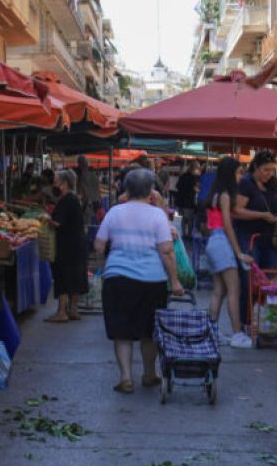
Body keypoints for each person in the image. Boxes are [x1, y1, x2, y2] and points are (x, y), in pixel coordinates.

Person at [94, 167, 185, 393]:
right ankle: (148, 373)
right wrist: (175, 281)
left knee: (121, 330)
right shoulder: (157, 216)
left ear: (126, 189)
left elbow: (98, 245)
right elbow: (166, 251)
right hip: (151, 280)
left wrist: (106, 267)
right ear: (151, 191)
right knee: (149, 330)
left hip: (117, 278)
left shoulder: (114, 212)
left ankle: (125, 377)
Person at [203, 157, 255, 348]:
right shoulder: (225, 195)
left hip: (212, 243)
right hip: (222, 242)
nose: (241, 176)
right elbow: (227, 225)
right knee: (234, 289)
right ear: (230, 174)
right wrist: (239, 252)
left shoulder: (215, 194)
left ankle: (212, 332)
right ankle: (237, 333)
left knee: (219, 290)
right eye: (239, 172)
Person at [233, 151, 277, 325]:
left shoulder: (274, 183)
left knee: (271, 280)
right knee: (250, 281)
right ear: (255, 167)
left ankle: (267, 322)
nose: (269, 174)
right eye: (265, 170)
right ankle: (247, 322)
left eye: (272, 170)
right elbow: (237, 211)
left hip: (272, 239)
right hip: (249, 237)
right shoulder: (246, 184)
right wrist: (262, 215)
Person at [45, 169, 88, 323]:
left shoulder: (66, 200)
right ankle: (73, 310)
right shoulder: (73, 198)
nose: (54, 185)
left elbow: (57, 223)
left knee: (62, 276)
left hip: (67, 245)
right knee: (76, 276)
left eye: (56, 182)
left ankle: (61, 312)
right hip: (77, 243)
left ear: (64, 184)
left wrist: (44, 218)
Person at [175, 162, 200, 238]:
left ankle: (183, 234)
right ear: (194, 169)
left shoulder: (183, 176)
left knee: (183, 219)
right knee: (189, 219)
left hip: (181, 201)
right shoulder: (194, 178)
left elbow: (177, 186)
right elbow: (195, 189)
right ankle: (189, 234)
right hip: (189, 201)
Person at [76, 154, 101, 221]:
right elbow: (98, 188)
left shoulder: (81, 176)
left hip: (88, 203)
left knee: (87, 224)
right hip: (96, 202)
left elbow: (80, 192)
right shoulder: (93, 174)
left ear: (79, 164)